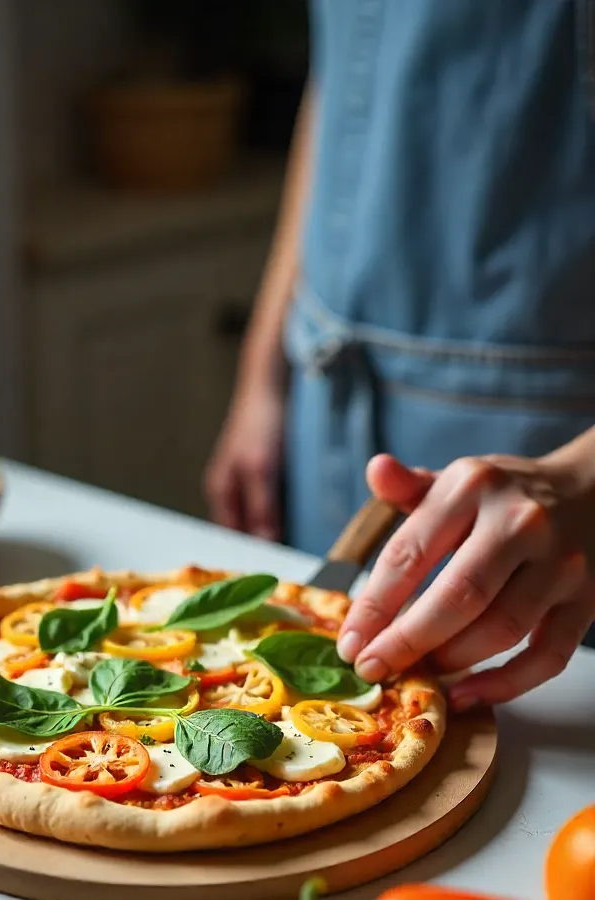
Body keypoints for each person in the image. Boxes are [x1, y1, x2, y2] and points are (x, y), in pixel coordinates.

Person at [206, 1, 595, 710]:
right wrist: (262, 377)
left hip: (553, 446)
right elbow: (341, 87)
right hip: (324, 405)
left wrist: (585, 476)